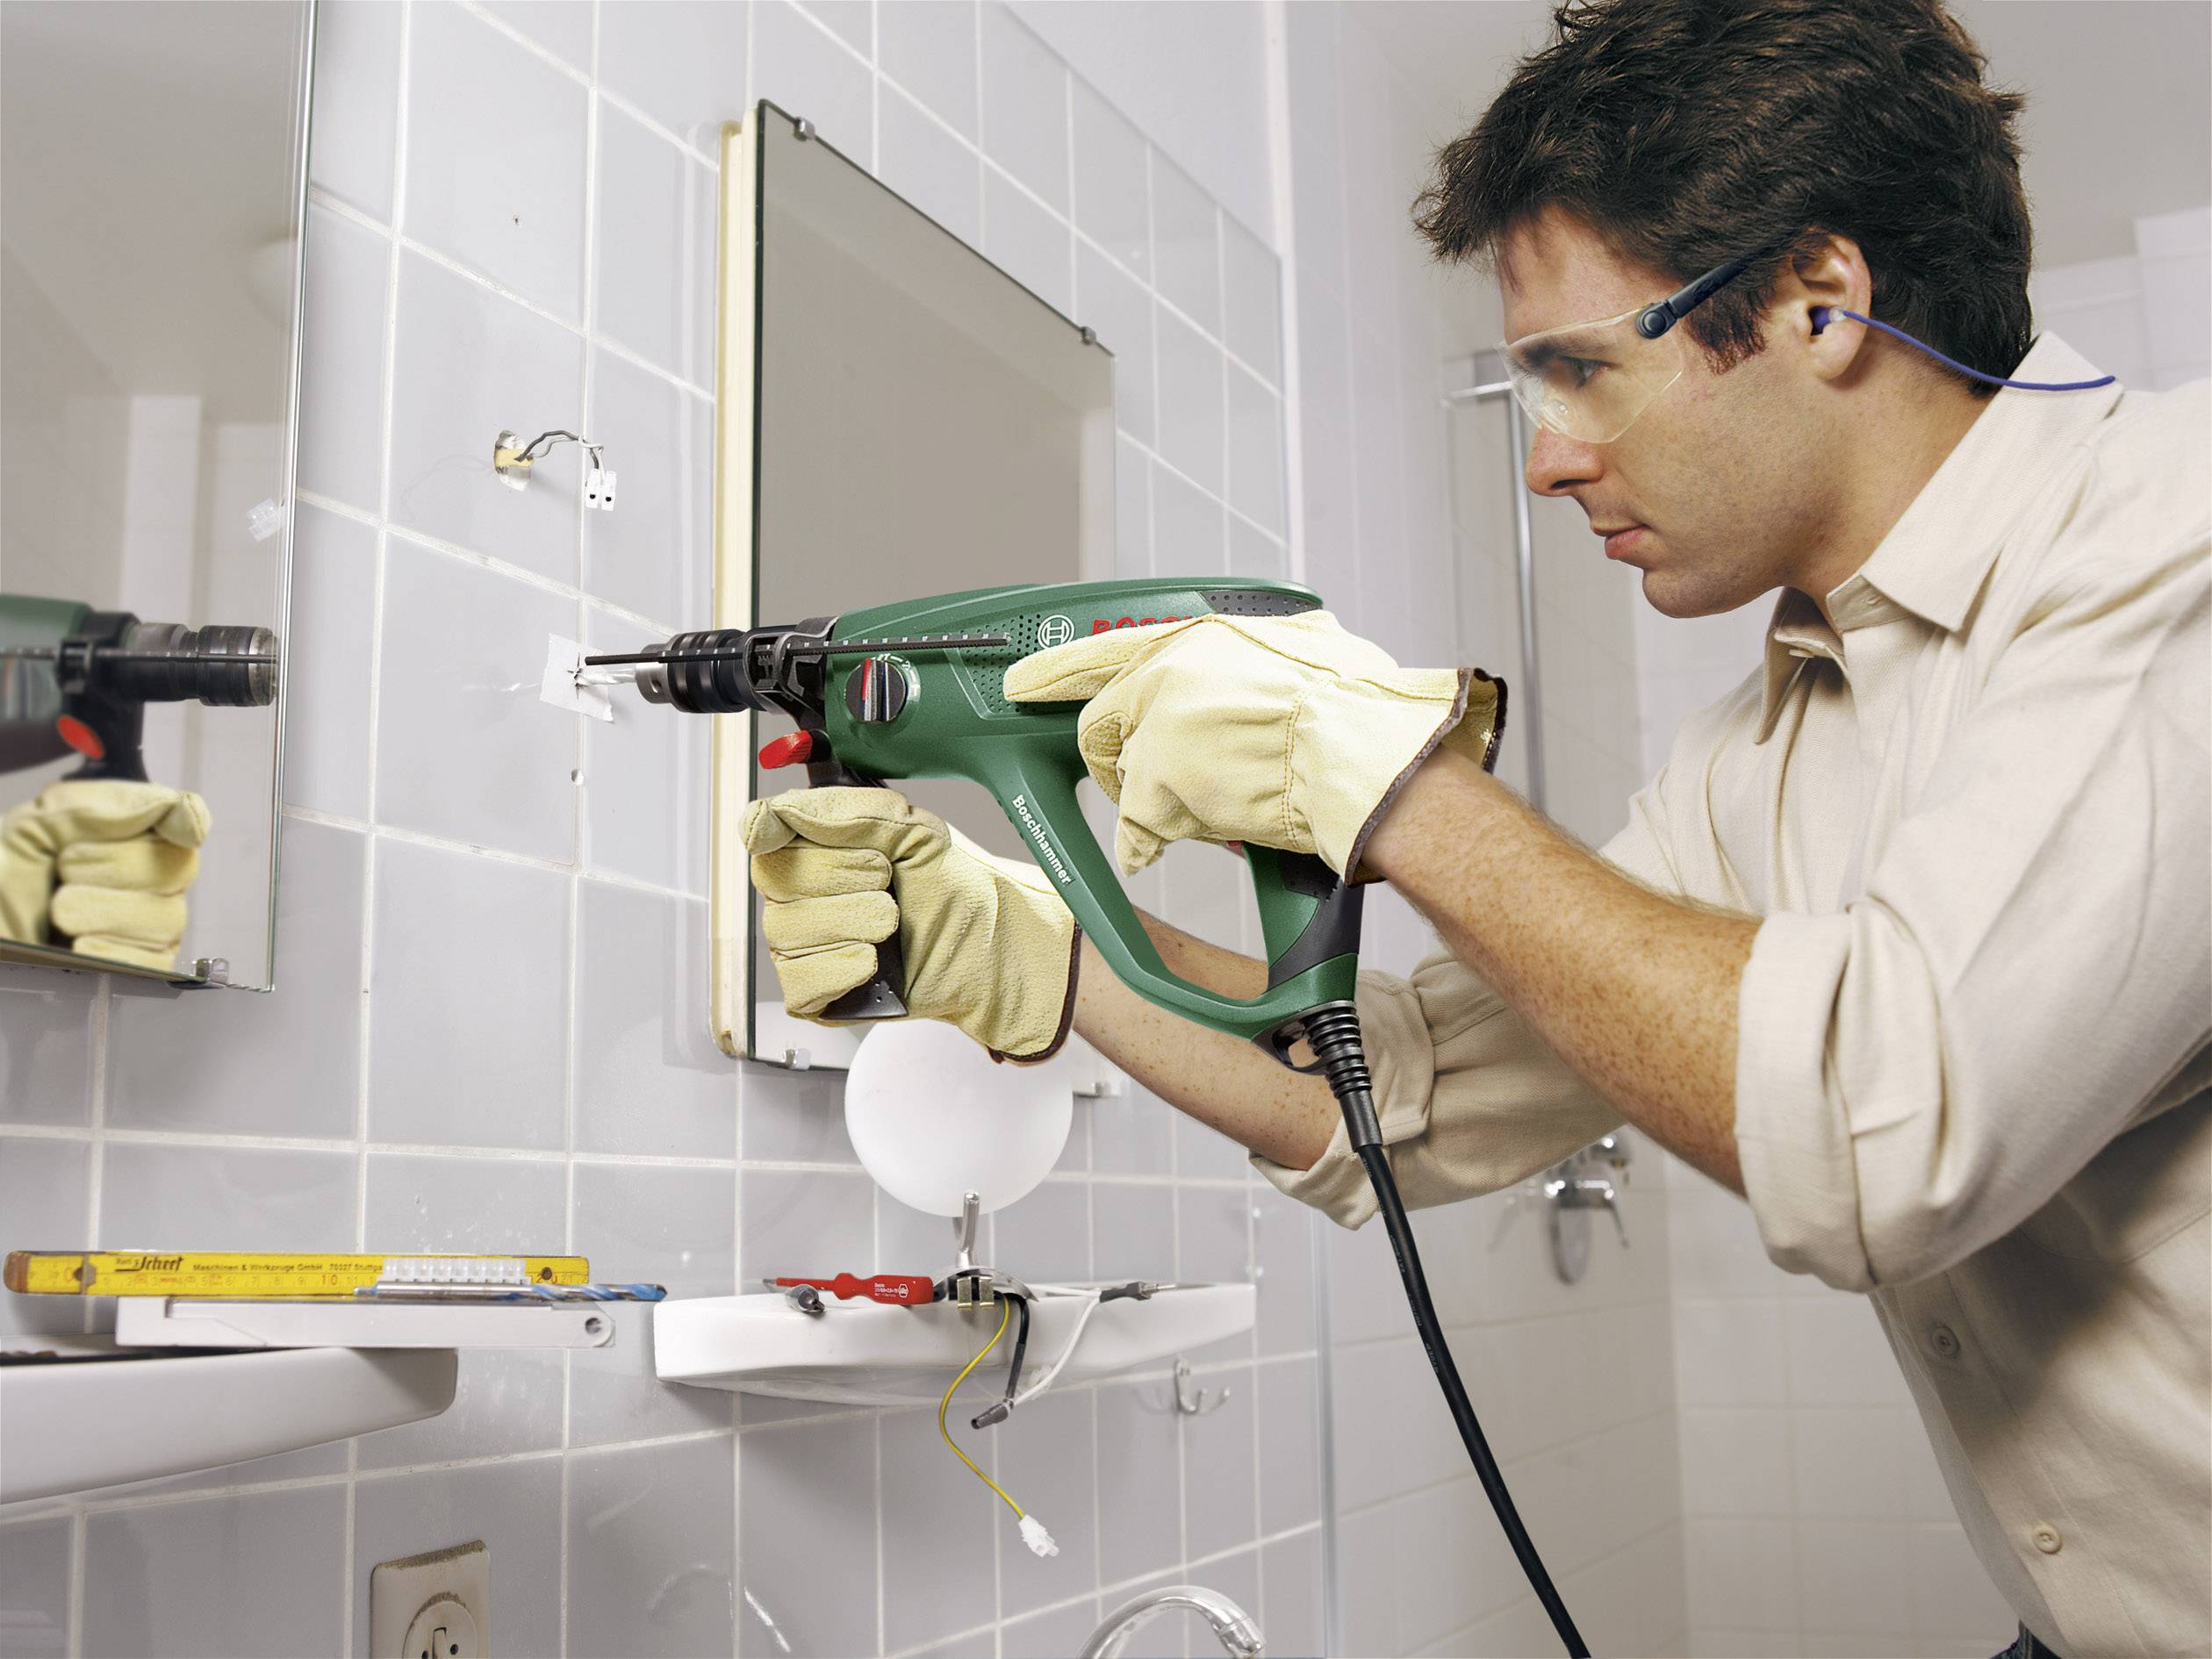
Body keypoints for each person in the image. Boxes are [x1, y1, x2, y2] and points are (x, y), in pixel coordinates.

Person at [740, 2, 2209, 1654]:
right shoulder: (1767, 746)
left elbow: (1892, 1127)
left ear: (1820, 299)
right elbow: (1414, 1098)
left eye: (1583, 366)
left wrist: (1400, 791)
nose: (1550, 459)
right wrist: (1052, 953)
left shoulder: (2173, 534)